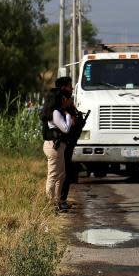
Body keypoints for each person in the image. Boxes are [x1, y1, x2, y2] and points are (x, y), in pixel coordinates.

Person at [41, 88, 75, 213]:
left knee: (61, 175)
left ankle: (57, 202)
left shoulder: (53, 111)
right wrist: (68, 116)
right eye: (62, 98)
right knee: (53, 175)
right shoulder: (56, 112)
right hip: (54, 147)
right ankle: (49, 204)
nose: (64, 100)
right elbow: (65, 129)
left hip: (56, 147)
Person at [56, 77, 82, 210]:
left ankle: (61, 199)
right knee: (62, 173)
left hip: (68, 142)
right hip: (62, 143)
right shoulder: (59, 102)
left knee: (65, 172)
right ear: (63, 88)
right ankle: (60, 200)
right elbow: (68, 124)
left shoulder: (65, 102)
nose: (72, 88)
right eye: (69, 86)